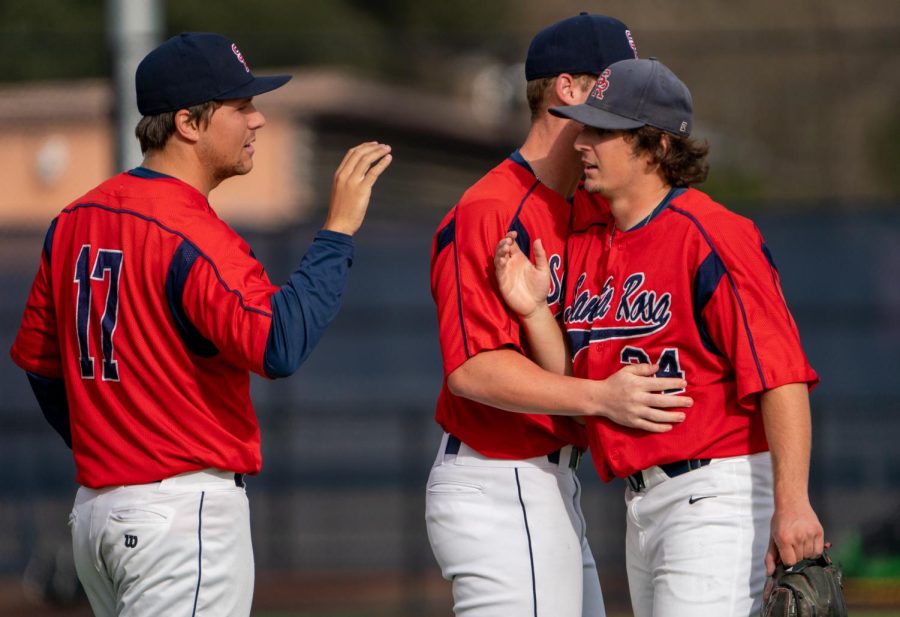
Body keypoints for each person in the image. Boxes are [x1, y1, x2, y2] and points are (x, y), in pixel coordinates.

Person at [9, 32, 391, 617]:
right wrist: (336, 233)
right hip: (179, 517)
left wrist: (117, 452)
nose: (258, 119)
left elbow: (41, 367)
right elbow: (278, 344)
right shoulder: (192, 233)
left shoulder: (73, 221)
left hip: (98, 517)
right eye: (240, 107)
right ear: (188, 122)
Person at [494, 57, 825, 616]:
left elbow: (782, 374)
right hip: (642, 504)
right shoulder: (590, 240)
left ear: (657, 147)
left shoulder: (713, 236)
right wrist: (532, 314)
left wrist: (793, 504)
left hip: (716, 494)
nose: (582, 142)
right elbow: (575, 387)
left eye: (603, 129)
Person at [426, 15, 693, 617]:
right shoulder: (492, 208)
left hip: (549, 484)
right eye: (609, 83)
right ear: (568, 90)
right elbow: (471, 369)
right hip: (499, 477)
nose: (624, 99)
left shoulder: (592, 207)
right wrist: (601, 398)